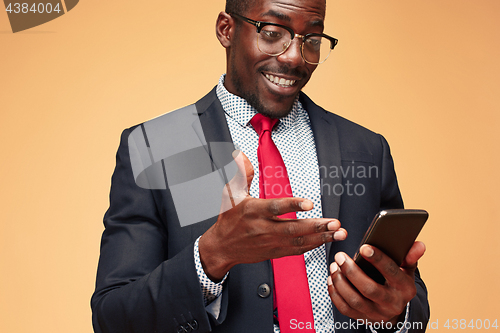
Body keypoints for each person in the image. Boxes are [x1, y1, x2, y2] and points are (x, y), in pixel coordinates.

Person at [91, 0, 430, 332]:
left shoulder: (366, 148)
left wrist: (397, 317)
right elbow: (113, 317)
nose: (295, 57)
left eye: (311, 40)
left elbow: (413, 306)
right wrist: (212, 255)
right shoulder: (157, 147)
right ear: (226, 29)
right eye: (271, 33)